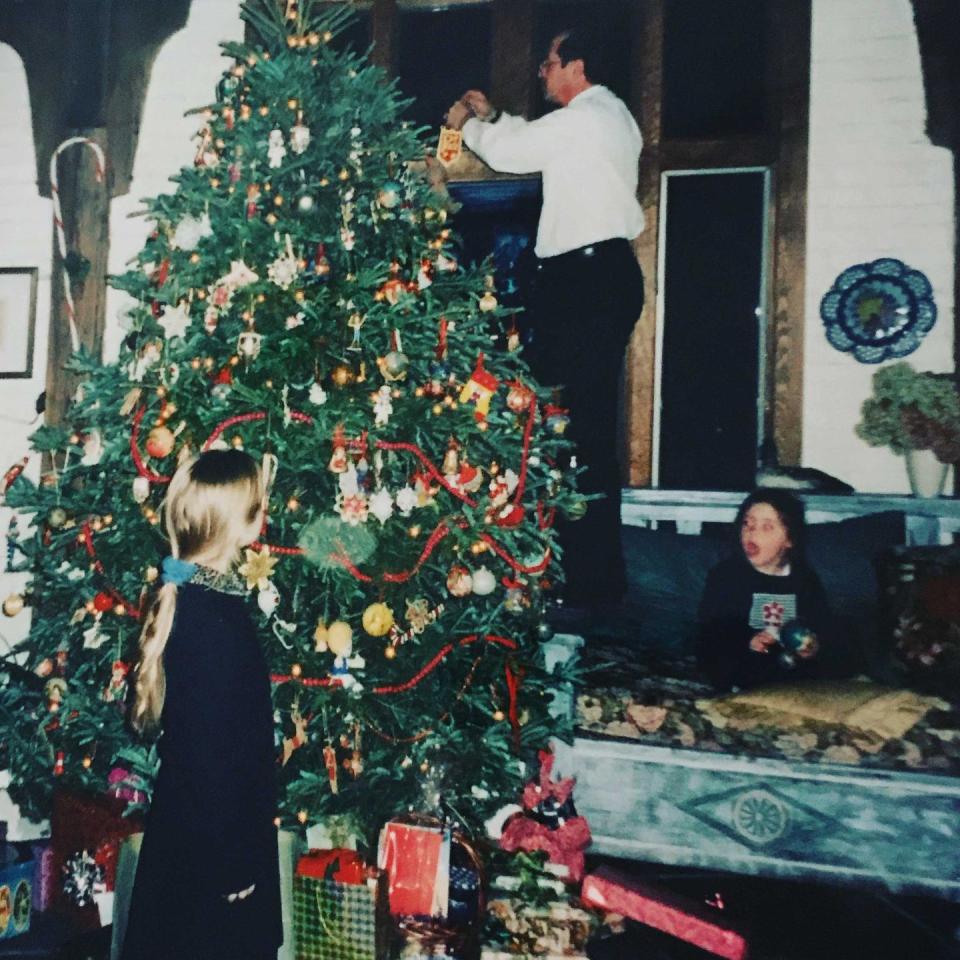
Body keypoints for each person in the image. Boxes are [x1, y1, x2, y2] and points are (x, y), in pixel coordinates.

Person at [445, 26, 645, 611]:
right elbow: (535, 140)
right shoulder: (613, 117)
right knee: (575, 428)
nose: (541, 70)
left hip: (584, 284)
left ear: (575, 66)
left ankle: (580, 580)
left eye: (549, 61)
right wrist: (495, 115)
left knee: (556, 425)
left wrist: (461, 125)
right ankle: (588, 576)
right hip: (600, 277)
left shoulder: (584, 119)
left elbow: (511, 154)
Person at [121, 450, 281, 960]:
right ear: (241, 524)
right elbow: (211, 759)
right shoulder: (214, 624)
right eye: (260, 504)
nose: (265, 512)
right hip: (213, 858)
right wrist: (233, 866)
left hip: (198, 839)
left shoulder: (205, 604)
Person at [696, 488, 833, 691]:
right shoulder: (726, 575)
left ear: (789, 540)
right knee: (721, 656)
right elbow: (711, 629)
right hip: (743, 664)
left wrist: (813, 646)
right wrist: (747, 640)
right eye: (747, 523)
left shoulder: (805, 579)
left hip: (791, 669)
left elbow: (819, 622)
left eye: (767, 527)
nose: (752, 531)